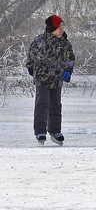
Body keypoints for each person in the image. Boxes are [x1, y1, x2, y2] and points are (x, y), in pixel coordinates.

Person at [25, 14, 76, 145]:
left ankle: (55, 130)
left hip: (57, 79)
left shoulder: (65, 43)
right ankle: (40, 131)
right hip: (42, 78)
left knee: (56, 105)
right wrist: (31, 69)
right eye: (59, 27)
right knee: (42, 104)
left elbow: (70, 59)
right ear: (52, 28)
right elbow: (30, 57)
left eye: (62, 27)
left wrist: (68, 71)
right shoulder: (39, 41)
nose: (62, 30)